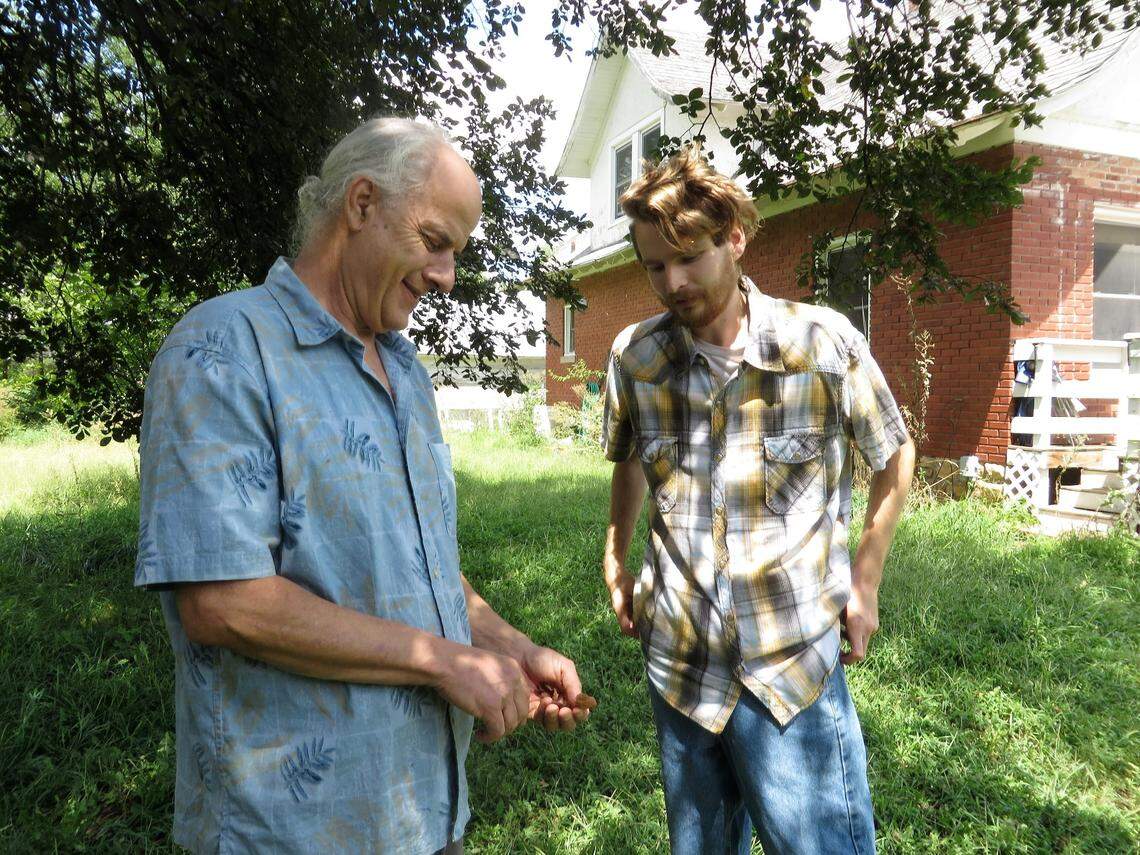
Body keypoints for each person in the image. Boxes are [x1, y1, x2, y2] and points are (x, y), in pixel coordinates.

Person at [135, 117, 591, 855]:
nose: (446, 275)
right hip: (290, 831)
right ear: (361, 204)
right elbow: (222, 603)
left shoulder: (405, 370)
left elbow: (419, 560)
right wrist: (446, 661)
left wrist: (508, 644)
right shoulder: (222, 348)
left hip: (422, 813)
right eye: (436, 241)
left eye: (456, 253)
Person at [600, 146, 915, 855]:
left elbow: (896, 454)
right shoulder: (635, 360)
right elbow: (625, 461)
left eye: (690, 257)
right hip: (681, 667)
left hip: (791, 668)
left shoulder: (821, 345)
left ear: (735, 238)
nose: (672, 282)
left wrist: (864, 583)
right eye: (655, 265)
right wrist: (615, 558)